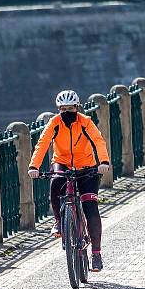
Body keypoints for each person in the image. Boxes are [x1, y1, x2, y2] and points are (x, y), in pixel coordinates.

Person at [28, 90, 111, 272]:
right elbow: (42, 144)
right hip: (62, 162)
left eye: (70, 108)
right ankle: (59, 221)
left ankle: (96, 254)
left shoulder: (85, 122)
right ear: (58, 110)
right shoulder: (54, 123)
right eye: (63, 109)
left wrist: (103, 162)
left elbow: (98, 141)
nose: (67, 112)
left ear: (77, 107)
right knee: (55, 183)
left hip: (86, 166)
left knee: (91, 207)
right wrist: (34, 166)